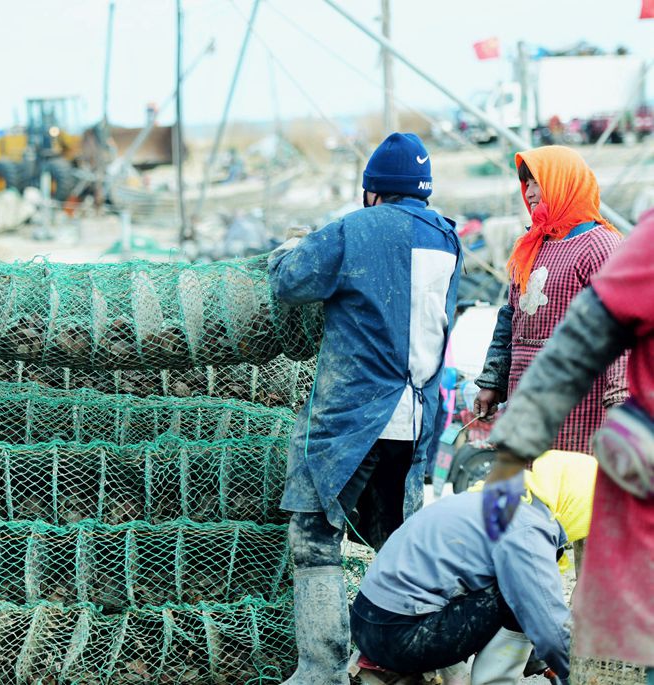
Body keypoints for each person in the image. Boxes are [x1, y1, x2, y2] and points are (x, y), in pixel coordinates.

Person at [268, 132, 462, 684]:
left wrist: (292, 246)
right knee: (400, 545)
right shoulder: (448, 238)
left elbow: (289, 281)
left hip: (352, 419)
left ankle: (322, 670)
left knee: (314, 534)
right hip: (417, 417)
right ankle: (418, 663)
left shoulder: (355, 229)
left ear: (373, 192)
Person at [485, 207, 654, 682]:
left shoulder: (601, 245)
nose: (530, 194)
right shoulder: (643, 248)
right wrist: (515, 446)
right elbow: (576, 348)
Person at [350, 451, 595, 685]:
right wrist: (583, 674)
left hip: (367, 622)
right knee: (524, 594)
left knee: (518, 586)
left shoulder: (499, 498)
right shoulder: (526, 527)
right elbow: (552, 631)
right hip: (399, 637)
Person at [474, 146, 626, 451]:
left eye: (536, 182)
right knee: (529, 493)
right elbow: (510, 318)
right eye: (525, 183)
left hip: (579, 405)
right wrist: (493, 380)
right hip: (525, 399)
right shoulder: (531, 245)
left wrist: (621, 404)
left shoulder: (600, 246)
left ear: (562, 181)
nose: (529, 193)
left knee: (568, 490)